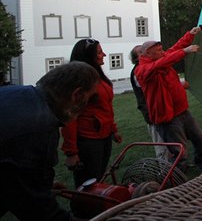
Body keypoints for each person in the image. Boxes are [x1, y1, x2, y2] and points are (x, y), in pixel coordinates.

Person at [0, 62, 100, 221]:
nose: (88, 105)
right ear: (77, 95)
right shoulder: (39, 127)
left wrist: (37, 183)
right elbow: (41, 212)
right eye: (90, 98)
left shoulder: (16, 93)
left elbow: (13, 179)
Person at [135, 26, 202, 171]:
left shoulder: (161, 57)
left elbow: (175, 47)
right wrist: (185, 52)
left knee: (198, 137)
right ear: (148, 54)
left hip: (182, 111)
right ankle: (178, 177)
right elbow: (160, 64)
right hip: (168, 117)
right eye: (158, 50)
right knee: (179, 150)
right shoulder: (143, 70)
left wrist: (190, 34)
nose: (163, 52)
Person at [61, 38, 123, 188]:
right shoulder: (78, 81)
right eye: (100, 52)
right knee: (88, 183)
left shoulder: (97, 77)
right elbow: (70, 118)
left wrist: (113, 130)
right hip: (88, 140)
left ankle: (96, 209)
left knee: (99, 178)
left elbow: (105, 107)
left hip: (104, 136)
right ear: (89, 56)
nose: (104, 55)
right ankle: (83, 211)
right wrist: (71, 152)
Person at [129, 45, 170, 160]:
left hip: (161, 111)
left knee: (170, 141)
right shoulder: (139, 71)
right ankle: (164, 172)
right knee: (161, 145)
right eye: (141, 52)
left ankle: (174, 168)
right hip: (152, 114)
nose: (145, 52)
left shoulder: (149, 67)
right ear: (137, 58)